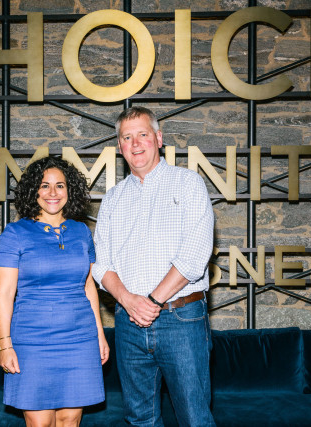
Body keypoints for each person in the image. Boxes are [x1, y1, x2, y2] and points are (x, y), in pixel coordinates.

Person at [92, 106, 216, 427]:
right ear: (119, 146)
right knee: (140, 419)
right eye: (127, 137)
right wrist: (129, 301)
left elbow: (194, 256)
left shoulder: (188, 184)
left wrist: (151, 301)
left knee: (195, 419)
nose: (135, 144)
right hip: (128, 322)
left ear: (159, 138)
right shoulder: (112, 199)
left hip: (182, 319)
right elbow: (100, 264)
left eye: (143, 134)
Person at [0, 156, 109, 427]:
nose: (53, 193)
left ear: (70, 190)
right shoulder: (15, 234)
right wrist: (5, 345)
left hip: (80, 339)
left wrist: (100, 335)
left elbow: (88, 287)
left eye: (60, 185)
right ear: (33, 191)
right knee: (40, 422)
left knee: (70, 420)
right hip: (32, 341)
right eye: (44, 185)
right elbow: (5, 294)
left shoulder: (81, 232)